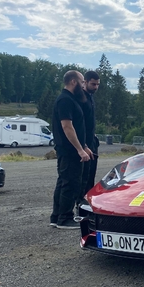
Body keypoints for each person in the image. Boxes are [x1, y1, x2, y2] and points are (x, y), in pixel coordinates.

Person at [50, 70, 91, 230]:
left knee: (63, 182)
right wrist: (79, 150)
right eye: (82, 82)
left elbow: (78, 128)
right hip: (69, 150)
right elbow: (67, 126)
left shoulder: (71, 100)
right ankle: (65, 218)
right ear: (73, 82)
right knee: (70, 183)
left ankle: (56, 216)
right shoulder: (65, 100)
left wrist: (85, 146)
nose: (83, 85)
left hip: (73, 149)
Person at [79, 70, 100, 202]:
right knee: (83, 176)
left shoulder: (91, 97)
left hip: (92, 141)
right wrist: (83, 145)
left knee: (91, 174)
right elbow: (78, 123)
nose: (96, 87)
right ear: (85, 82)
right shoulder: (80, 98)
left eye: (98, 84)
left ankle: (88, 200)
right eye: (93, 84)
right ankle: (80, 203)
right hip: (83, 143)